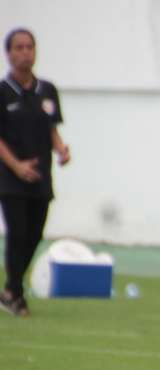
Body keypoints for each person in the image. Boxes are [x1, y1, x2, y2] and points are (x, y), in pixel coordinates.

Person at [0, 28, 70, 316]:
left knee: (34, 234)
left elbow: (51, 127)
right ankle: (14, 291)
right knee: (17, 233)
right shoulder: (3, 93)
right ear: (9, 53)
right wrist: (16, 165)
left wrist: (61, 149)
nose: (25, 52)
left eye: (30, 46)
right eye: (19, 47)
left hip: (41, 177)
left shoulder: (47, 91)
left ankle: (10, 290)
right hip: (10, 179)